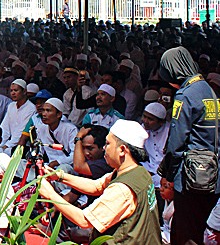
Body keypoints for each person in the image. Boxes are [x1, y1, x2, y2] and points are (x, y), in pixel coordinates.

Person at [39, 119, 161, 244]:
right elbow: (96, 186)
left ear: (122, 150)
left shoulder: (122, 188)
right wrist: (60, 176)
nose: (104, 148)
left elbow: (84, 220)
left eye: (107, 144)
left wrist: (50, 194)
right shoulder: (138, 171)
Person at [158, 46, 220, 245]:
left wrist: (168, 174)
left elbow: (177, 143)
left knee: (184, 233)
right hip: (213, 173)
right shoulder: (208, 89)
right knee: (198, 227)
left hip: (192, 177)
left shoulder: (186, 94)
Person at [0, 79, 37, 150]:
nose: (13, 93)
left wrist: (7, 145)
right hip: (8, 143)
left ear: (24, 91)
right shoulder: (11, 106)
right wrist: (0, 143)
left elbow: (22, 131)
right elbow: (5, 127)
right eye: (11, 91)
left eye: (16, 90)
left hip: (23, 145)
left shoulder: (31, 108)